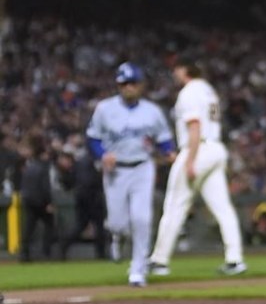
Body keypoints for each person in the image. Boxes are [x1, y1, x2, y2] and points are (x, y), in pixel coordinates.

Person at [148, 60, 247, 277]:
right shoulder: (209, 90)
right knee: (223, 208)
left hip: (198, 149)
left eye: (177, 68)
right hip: (215, 149)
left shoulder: (189, 91)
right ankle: (235, 259)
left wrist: (190, 159)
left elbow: (195, 126)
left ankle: (159, 260)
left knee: (175, 205)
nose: (175, 72)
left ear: (185, 70)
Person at [85, 62, 173, 286]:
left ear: (141, 85)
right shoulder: (105, 108)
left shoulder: (152, 111)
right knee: (117, 223)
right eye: (124, 83)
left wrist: (169, 152)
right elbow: (93, 137)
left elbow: (164, 139)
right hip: (115, 170)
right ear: (118, 85)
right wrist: (102, 154)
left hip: (143, 167)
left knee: (142, 219)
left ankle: (138, 270)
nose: (129, 87)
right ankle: (117, 236)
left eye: (133, 83)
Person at [19, 140, 57, 262]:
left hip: (28, 200)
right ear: (42, 154)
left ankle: (24, 254)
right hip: (40, 202)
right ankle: (46, 252)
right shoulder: (43, 167)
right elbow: (45, 187)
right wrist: (48, 203)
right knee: (49, 225)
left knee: (29, 228)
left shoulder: (29, 166)